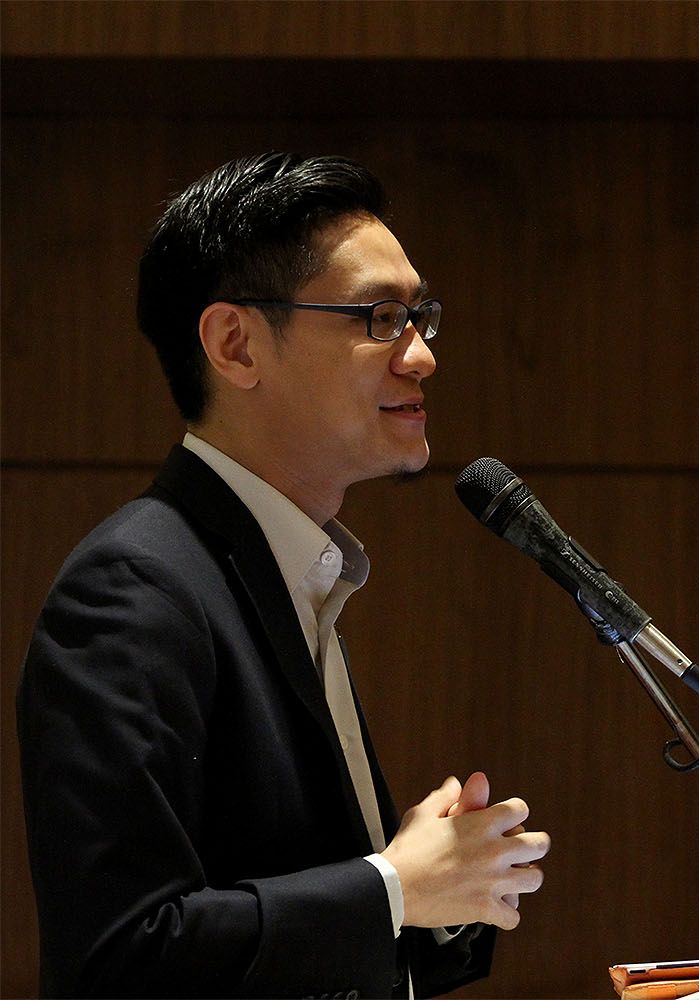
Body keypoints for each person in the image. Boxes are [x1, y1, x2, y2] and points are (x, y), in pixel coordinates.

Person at [16, 152, 549, 997]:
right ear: (236, 344)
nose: (421, 357)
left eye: (421, 316)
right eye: (379, 317)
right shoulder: (134, 591)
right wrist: (394, 888)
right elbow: (119, 957)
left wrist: (433, 891)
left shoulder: (289, 566)